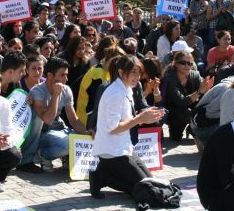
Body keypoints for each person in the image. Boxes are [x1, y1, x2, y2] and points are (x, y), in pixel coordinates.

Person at [89, 55, 166, 200]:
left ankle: (105, 174)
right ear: (121, 72)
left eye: (139, 72)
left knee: (153, 184)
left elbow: (129, 119)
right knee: (147, 192)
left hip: (124, 147)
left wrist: (147, 115)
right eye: (133, 72)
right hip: (111, 152)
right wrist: (140, 119)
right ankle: (102, 176)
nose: (137, 77)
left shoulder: (127, 88)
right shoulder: (115, 93)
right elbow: (113, 128)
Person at [30, 57, 88, 172]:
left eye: (66, 75)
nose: (66, 79)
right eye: (62, 75)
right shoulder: (37, 91)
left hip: (61, 130)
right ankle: (43, 154)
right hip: (44, 133)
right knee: (69, 144)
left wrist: (86, 133)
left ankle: (65, 155)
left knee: (82, 140)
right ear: (50, 76)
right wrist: (56, 95)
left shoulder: (66, 89)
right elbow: (47, 120)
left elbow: (73, 120)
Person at [162, 50, 212, 141]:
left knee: (206, 107)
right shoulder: (169, 78)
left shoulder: (195, 75)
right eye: (183, 63)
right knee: (176, 137)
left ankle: (193, 129)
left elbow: (204, 91)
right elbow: (181, 102)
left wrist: (207, 88)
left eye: (190, 63)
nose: (187, 66)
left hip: (188, 108)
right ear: (176, 64)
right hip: (171, 111)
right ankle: (177, 130)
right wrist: (200, 92)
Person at [76, 47, 126, 125]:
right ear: (109, 60)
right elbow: (96, 105)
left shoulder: (105, 71)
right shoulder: (97, 75)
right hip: (86, 122)